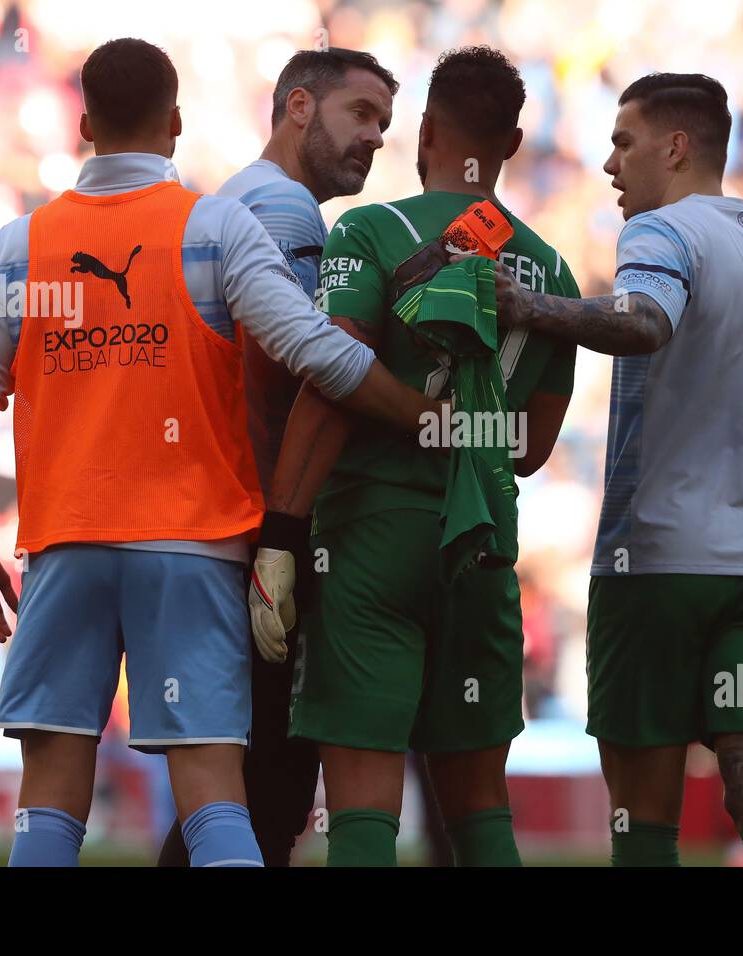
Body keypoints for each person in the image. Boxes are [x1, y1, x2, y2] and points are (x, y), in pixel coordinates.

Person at [0, 37, 435, 867]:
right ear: (174, 123)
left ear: (86, 122)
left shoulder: (22, 246)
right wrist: (425, 414)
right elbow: (317, 353)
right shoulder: (215, 225)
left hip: (66, 546)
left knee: (51, 793)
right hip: (195, 548)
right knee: (213, 790)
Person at [484, 72, 743, 866]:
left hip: (659, 562)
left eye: (622, 142)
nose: (610, 166)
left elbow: (644, 321)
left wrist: (526, 307)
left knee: (643, 825)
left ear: (675, 148)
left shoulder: (661, 232)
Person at [266, 45, 580, 866]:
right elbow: (533, 449)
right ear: (510, 146)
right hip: (482, 544)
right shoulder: (553, 271)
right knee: (480, 809)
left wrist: (281, 532)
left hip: (370, 533)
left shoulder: (369, 228)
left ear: (427, 129)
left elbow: (333, 372)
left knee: (364, 808)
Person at [156, 46, 399, 869]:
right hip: (259, 523)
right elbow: (292, 369)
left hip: (223, 519)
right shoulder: (286, 212)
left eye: (384, 125)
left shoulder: (237, 199)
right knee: (272, 788)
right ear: (299, 106)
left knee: (237, 789)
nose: (374, 139)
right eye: (359, 115)